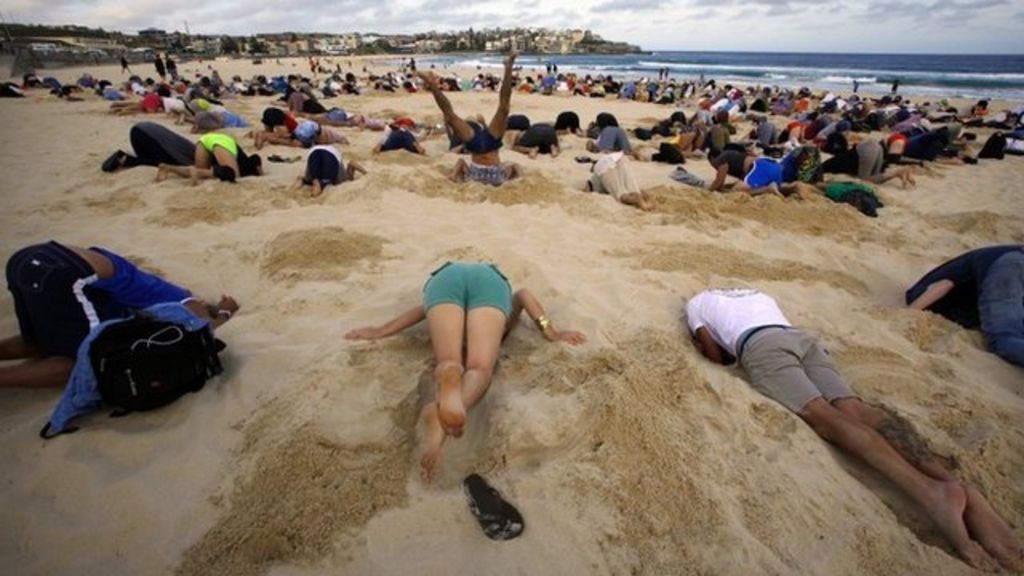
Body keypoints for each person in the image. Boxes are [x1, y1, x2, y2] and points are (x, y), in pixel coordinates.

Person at [686, 288, 1022, 571]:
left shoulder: (696, 302)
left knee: (825, 417)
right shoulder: (757, 294)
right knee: (856, 409)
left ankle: (931, 494)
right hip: (802, 339)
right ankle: (953, 483)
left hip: (761, 345)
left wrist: (714, 350)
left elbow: (714, 354)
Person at [345, 262, 586, 482]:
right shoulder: (499, 296)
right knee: (480, 367)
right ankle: (442, 423)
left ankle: (449, 372)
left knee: (449, 359)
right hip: (489, 285)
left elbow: (424, 310)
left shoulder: (452, 277)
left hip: (445, 279)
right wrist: (550, 331)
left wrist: (381, 330)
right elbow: (523, 295)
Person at [1, 242, 239, 389]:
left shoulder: (144, 288)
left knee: (38, 342)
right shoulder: (183, 299)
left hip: (28, 259)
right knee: (87, 362)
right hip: (65, 275)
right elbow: (204, 328)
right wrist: (225, 311)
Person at [906, 245, 1024, 366]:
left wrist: (909, 312)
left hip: (1006, 265)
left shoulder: (916, 294)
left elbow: (945, 284)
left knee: (1003, 337)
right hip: (1009, 261)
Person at [418, 53, 520, 185]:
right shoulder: (500, 174)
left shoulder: (472, 174)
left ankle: (432, 84)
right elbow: (512, 168)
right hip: (491, 168)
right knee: (503, 108)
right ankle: (508, 66)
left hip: (477, 166)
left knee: (451, 116)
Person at [157, 133, 263, 183]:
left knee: (199, 171)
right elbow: (255, 158)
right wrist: (261, 174)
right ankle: (197, 172)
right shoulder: (248, 165)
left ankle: (168, 168)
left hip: (206, 139)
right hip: (222, 143)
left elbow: (256, 158)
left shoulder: (245, 160)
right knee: (233, 174)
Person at [101, 121, 196, 173]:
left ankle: (126, 159)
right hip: (146, 136)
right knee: (161, 163)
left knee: (156, 159)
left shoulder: (195, 146)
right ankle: (126, 159)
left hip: (142, 129)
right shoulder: (190, 158)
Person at [585, 152, 654, 210]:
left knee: (620, 194)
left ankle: (639, 201)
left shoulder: (595, 175)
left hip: (604, 168)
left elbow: (588, 185)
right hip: (619, 158)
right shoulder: (598, 169)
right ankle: (645, 199)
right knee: (632, 189)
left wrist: (585, 192)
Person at [708, 148, 791, 196]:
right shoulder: (734, 157)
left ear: (712, 158)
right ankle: (792, 187)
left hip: (760, 167)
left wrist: (707, 191)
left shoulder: (720, 159)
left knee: (736, 191)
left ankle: (767, 189)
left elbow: (719, 182)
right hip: (774, 167)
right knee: (744, 187)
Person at [293, 144, 366, 197]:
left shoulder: (343, 175)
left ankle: (299, 183)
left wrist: (365, 173)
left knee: (312, 180)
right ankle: (308, 182)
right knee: (317, 183)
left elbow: (352, 163)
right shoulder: (343, 179)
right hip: (331, 155)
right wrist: (368, 174)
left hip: (314, 150)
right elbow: (352, 163)